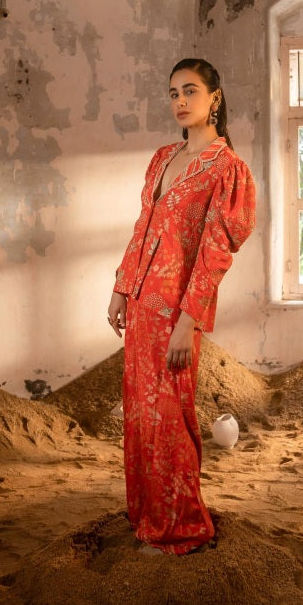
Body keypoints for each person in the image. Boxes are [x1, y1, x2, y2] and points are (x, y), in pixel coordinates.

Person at [107, 58, 257, 555]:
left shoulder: (227, 170)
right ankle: (149, 518)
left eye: (190, 91)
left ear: (214, 98)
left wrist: (187, 322)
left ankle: (182, 527)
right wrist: (121, 288)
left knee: (170, 418)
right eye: (173, 93)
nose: (180, 101)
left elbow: (214, 254)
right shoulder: (162, 158)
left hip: (176, 312)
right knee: (141, 417)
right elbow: (143, 227)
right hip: (141, 306)